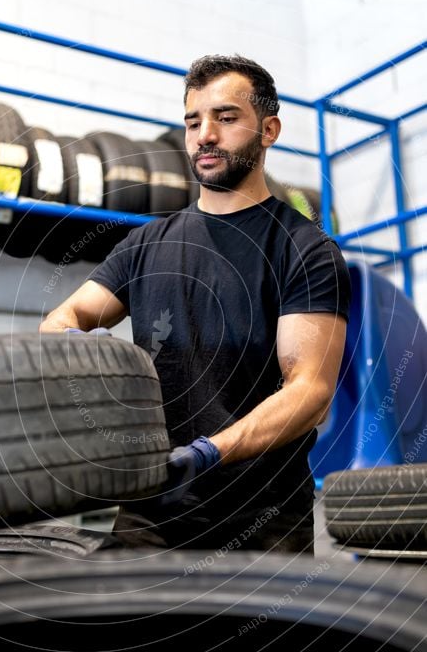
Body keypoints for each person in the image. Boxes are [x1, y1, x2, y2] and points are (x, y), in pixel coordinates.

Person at [40, 54, 351, 555]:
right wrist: (73, 349)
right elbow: (65, 317)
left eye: (225, 118)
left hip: (261, 522)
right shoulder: (145, 244)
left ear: (268, 130)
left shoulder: (304, 250)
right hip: (149, 513)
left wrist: (209, 452)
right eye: (192, 121)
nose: (205, 134)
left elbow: (310, 391)